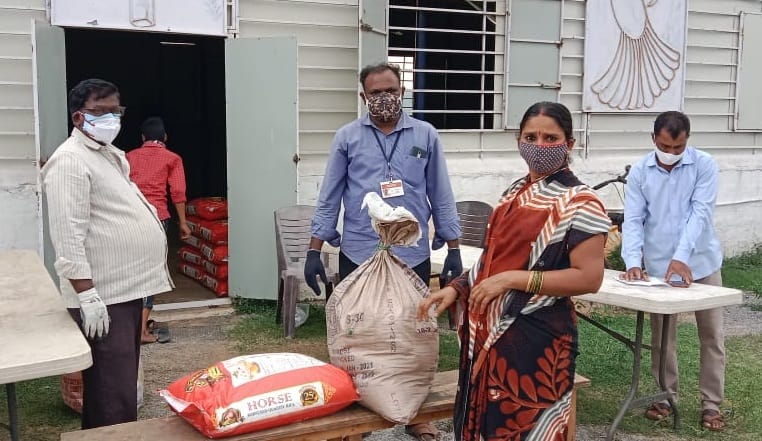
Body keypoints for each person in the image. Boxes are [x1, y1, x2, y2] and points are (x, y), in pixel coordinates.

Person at [418, 102, 610, 440]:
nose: (539, 145)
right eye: (530, 136)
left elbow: (588, 278)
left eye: (550, 137)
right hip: (489, 335)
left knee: (523, 426)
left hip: (535, 340)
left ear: (570, 143)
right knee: (487, 426)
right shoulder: (513, 194)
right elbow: (493, 258)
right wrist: (457, 288)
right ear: (518, 141)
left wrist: (512, 280)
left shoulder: (582, 202)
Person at [304, 62, 462, 441]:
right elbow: (330, 195)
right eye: (375, 92)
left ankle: (415, 414)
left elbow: (440, 192)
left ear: (402, 91)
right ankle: (357, 415)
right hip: (359, 252)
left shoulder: (425, 135)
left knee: (414, 332)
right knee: (356, 332)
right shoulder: (347, 138)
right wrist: (314, 248)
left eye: (390, 90)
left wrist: (453, 246)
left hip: (412, 255)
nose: (383, 98)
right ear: (363, 97)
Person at [42, 79, 173, 429]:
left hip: (124, 292)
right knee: (111, 390)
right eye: (100, 112)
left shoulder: (108, 156)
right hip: (104, 296)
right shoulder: (70, 161)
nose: (111, 118)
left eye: (116, 110)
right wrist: (87, 294)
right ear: (79, 117)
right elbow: (67, 234)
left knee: (116, 384)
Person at [620, 111, 725, 431]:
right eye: (666, 146)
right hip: (657, 268)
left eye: (678, 148)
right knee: (662, 337)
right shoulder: (640, 171)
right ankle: (665, 396)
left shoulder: (704, 165)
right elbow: (634, 219)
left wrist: (682, 259)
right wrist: (633, 262)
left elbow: (700, 214)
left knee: (712, 335)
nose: (672, 153)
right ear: (654, 139)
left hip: (702, 262)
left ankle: (711, 404)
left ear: (687, 141)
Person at [127, 116, 190, 344]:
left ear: (142, 137)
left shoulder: (128, 157)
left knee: (131, 271)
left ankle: (133, 324)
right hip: (157, 220)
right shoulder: (172, 158)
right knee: (149, 273)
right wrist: (182, 222)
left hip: (129, 219)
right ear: (165, 137)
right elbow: (178, 192)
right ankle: (142, 331)